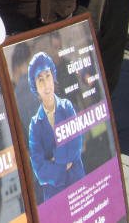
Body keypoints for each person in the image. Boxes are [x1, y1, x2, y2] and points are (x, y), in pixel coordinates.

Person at [27, 52, 85, 202]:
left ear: (53, 77)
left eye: (48, 76)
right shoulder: (34, 125)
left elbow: (76, 144)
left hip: (77, 184)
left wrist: (53, 159)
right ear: (35, 86)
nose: (46, 84)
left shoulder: (67, 107)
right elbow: (39, 169)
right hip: (55, 195)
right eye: (40, 80)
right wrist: (64, 163)